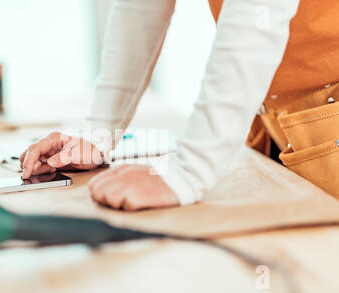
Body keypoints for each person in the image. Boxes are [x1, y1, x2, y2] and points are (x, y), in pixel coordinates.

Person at [20, 0, 339, 211]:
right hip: (281, 125)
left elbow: (256, 14)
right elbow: (140, 7)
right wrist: (98, 134)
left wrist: (188, 172)